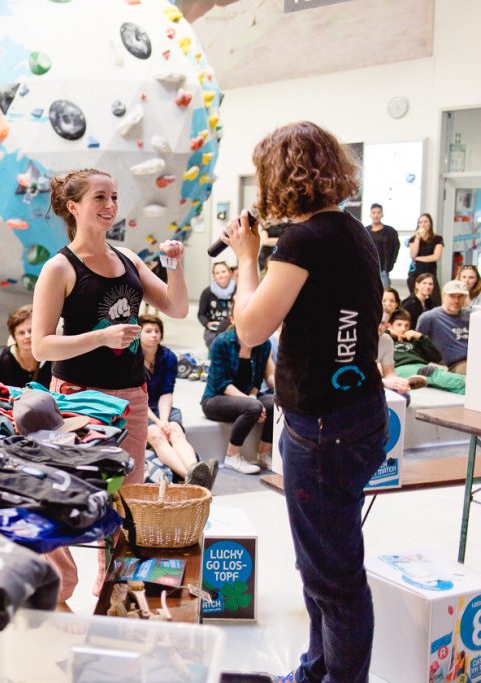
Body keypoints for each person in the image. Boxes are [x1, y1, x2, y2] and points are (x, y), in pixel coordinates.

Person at [227, 121, 385, 682]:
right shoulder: (349, 231)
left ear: (278, 176)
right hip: (357, 415)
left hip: (323, 429)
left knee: (334, 579)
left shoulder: (302, 241)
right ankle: (315, 670)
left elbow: (248, 329)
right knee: (325, 564)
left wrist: (247, 256)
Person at [31, 167, 188, 606]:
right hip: (78, 397)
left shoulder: (129, 259)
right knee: (72, 495)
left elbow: (175, 306)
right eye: (100, 197)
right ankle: (60, 589)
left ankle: (111, 591)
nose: (110, 206)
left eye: (114, 197)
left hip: (132, 398)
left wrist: (173, 265)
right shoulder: (59, 268)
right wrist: (100, 336)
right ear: (73, 206)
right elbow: (42, 345)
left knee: (126, 499)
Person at [139, 315, 214, 488]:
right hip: (140, 407)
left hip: (163, 406)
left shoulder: (168, 357)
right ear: (139, 334)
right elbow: (138, 396)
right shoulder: (132, 359)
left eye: (157, 331)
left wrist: (164, 419)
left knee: (175, 430)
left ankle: (194, 469)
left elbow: (167, 392)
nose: (153, 335)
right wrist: (157, 421)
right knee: (156, 434)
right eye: (148, 331)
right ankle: (192, 479)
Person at [200, 323, 275, 474]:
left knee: (275, 403)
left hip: (247, 397)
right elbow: (222, 384)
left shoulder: (264, 344)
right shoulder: (221, 342)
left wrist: (253, 396)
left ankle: (264, 453)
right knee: (253, 407)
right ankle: (232, 456)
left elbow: (257, 380)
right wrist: (252, 401)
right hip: (216, 398)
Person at [388, 309, 465, 394]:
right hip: (400, 367)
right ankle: (466, 381)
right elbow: (376, 335)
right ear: (390, 325)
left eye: (407, 326)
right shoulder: (385, 340)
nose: (403, 329)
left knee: (459, 389)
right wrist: (389, 333)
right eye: (399, 325)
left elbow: (436, 358)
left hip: (420, 366)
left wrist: (421, 337)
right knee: (430, 373)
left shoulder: (413, 341)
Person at [417, 280, 471, 374]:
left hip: (472, 359)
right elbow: (418, 345)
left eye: (460, 296)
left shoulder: (470, 316)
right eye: (452, 296)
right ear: (443, 296)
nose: (456, 300)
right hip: (451, 364)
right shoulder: (429, 317)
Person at [0, 305, 51, 388]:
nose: (27, 336)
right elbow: (3, 391)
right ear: (14, 336)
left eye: (30, 331)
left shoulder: (50, 356)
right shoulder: (6, 357)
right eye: (21, 333)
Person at [375, 313, 416, 398]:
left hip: (375, 382)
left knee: (404, 396)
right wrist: (382, 382)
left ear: (387, 325)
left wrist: (397, 383)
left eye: (382, 323)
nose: (379, 326)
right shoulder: (354, 339)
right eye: (376, 321)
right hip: (353, 384)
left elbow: (389, 372)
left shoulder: (386, 339)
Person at [197, 261, 235, 349]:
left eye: (223, 271)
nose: (221, 275)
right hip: (213, 330)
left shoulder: (237, 290)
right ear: (214, 276)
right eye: (217, 273)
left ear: (229, 273)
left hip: (232, 328)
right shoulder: (207, 293)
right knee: (215, 342)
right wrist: (207, 323)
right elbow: (201, 314)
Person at [408, 213, 443, 304]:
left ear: (430, 223)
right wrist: (417, 238)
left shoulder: (437, 239)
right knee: (415, 300)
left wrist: (418, 258)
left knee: (434, 300)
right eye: (420, 222)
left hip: (430, 271)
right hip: (416, 273)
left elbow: (436, 257)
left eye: (425, 222)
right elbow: (413, 254)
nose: (423, 224)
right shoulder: (413, 239)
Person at [366, 203, 400, 289]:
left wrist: (390, 264)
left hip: (383, 269)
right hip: (368, 268)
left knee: (385, 292)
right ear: (370, 214)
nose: (376, 215)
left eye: (378, 212)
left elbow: (396, 247)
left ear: (382, 214)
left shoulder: (390, 231)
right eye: (374, 212)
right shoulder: (365, 231)